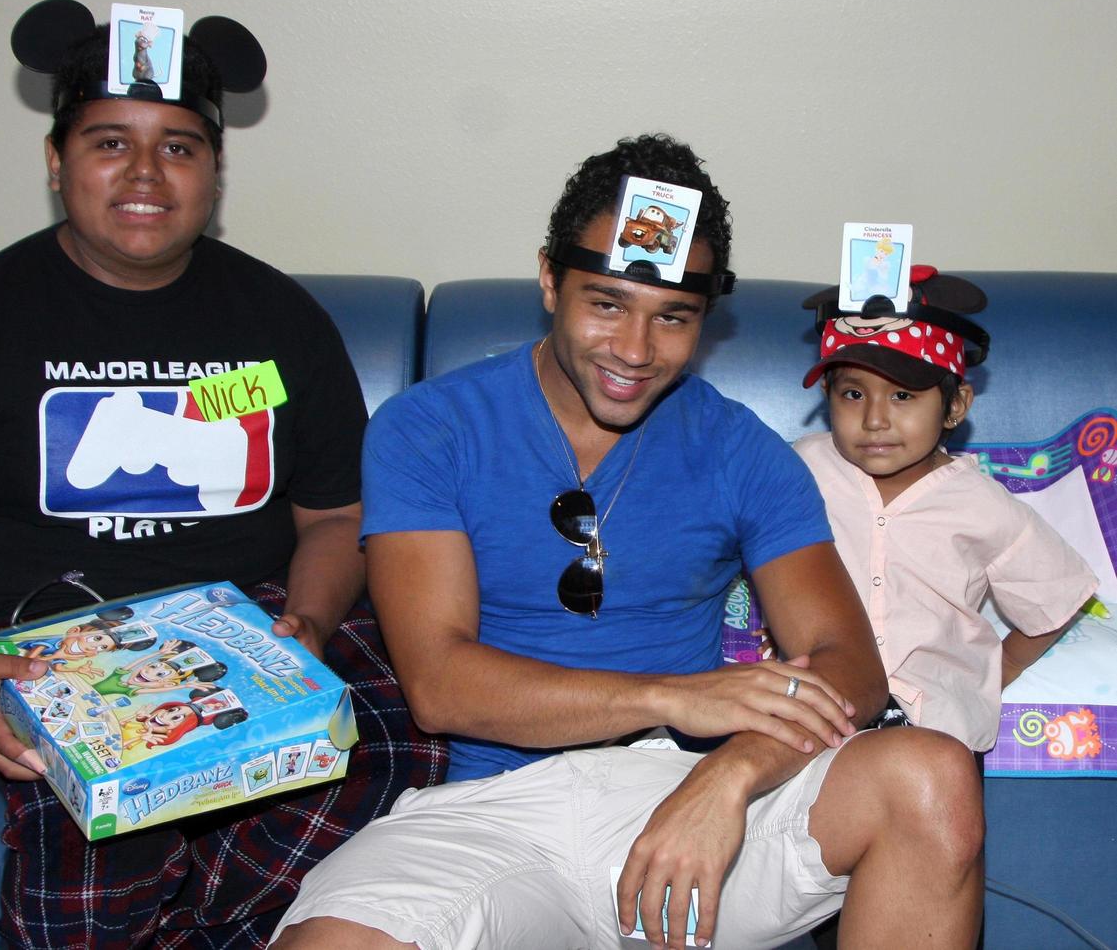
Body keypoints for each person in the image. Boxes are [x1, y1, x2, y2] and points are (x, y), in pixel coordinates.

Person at [271, 135, 986, 950]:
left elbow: (848, 665)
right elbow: (441, 683)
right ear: (548, 278)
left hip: (692, 795)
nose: (635, 352)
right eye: (605, 304)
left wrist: (729, 770)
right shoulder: (431, 428)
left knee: (930, 773)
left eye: (672, 318)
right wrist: (677, 697)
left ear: (705, 321)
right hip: (494, 813)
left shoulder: (737, 448)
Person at [0, 0, 444, 947]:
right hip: (54, 645)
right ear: (57, 161)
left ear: (216, 172)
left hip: (252, 616)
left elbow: (333, 515)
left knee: (406, 736)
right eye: (111, 141)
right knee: (105, 857)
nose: (146, 173)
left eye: (180, 147)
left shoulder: (277, 321)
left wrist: (305, 626)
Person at [793, 266, 1098, 752]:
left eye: (903, 396)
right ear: (827, 397)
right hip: (815, 704)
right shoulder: (802, 467)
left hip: (931, 721)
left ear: (955, 406)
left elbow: (1056, 596)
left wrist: (995, 676)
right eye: (853, 394)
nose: (874, 419)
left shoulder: (981, 505)